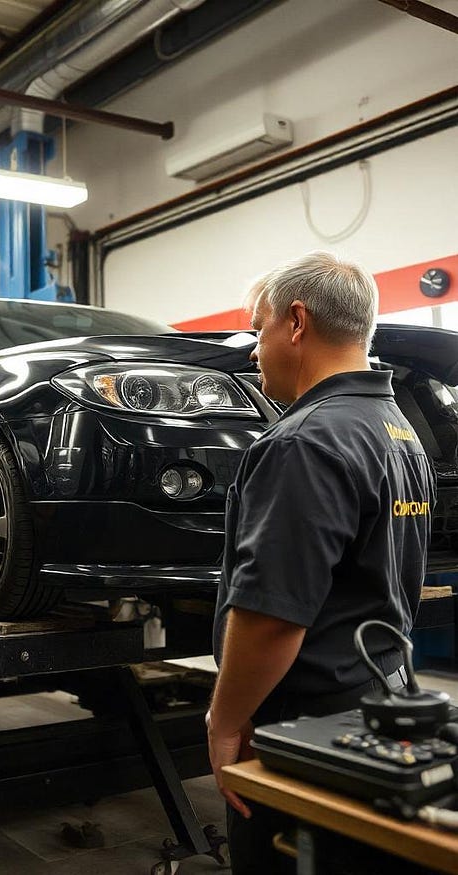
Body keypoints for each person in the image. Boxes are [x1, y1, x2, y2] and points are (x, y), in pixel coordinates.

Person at [207, 251, 435, 874]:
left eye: (259, 328)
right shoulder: (398, 431)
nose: (253, 350)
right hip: (374, 696)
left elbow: (274, 616)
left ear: (297, 322)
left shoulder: (305, 441)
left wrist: (225, 720)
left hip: (297, 723)